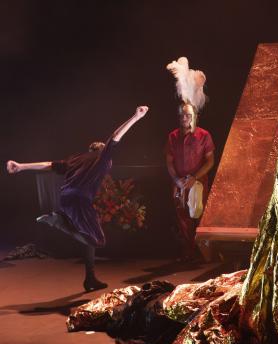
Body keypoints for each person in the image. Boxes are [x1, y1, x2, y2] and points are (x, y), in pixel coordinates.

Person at [6, 106, 149, 291]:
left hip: (66, 198)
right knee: (98, 240)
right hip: (79, 200)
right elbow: (115, 136)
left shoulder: (76, 158)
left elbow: (49, 165)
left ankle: (90, 279)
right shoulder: (103, 157)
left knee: (89, 236)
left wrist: (21, 166)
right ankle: (58, 221)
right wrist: (136, 117)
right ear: (102, 150)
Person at [165, 102, 214, 262]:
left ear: (195, 117)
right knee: (183, 218)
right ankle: (189, 252)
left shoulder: (204, 135)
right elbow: (169, 162)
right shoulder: (173, 136)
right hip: (179, 184)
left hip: (198, 183)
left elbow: (210, 161)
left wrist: (195, 177)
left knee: (200, 215)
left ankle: (203, 254)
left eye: (188, 115)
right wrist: (176, 180)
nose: (185, 118)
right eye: (182, 115)